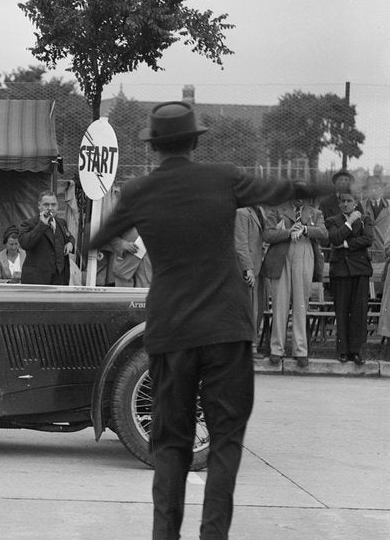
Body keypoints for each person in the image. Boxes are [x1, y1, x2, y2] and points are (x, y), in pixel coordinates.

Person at [86, 100, 323, 540]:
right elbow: (277, 189)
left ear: (154, 145)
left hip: (171, 330)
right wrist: (319, 185)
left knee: (170, 443)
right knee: (226, 439)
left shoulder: (139, 191)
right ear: (196, 141)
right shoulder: (223, 178)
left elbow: (97, 239)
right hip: (226, 328)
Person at [260, 197, 327, 367]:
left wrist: (305, 229)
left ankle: (300, 350)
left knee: (301, 304)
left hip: (304, 253)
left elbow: (324, 233)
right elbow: (267, 234)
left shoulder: (315, 212)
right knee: (280, 303)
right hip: (282, 255)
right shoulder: (277, 210)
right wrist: (288, 232)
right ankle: (277, 349)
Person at [325, 193, 373, 364]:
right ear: (339, 204)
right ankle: (343, 351)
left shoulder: (366, 219)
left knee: (359, 312)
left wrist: (345, 245)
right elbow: (334, 238)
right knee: (342, 311)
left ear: (355, 203)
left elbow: (368, 239)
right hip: (341, 271)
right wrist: (350, 221)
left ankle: (356, 351)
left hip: (360, 270)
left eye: (349, 201)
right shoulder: (331, 220)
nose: (345, 204)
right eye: (342, 202)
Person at [18, 191, 74, 285]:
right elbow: (25, 244)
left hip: (60, 279)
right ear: (39, 206)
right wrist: (42, 225)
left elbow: (70, 237)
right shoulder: (28, 224)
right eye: (46, 205)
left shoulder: (61, 223)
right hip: (37, 280)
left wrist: (70, 243)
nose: (50, 208)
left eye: (53, 205)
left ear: (58, 206)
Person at [233, 206, 267, 354]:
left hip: (259, 266)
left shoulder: (259, 211)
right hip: (248, 269)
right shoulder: (242, 213)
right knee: (248, 309)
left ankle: (251, 344)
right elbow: (240, 243)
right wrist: (248, 268)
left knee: (257, 308)